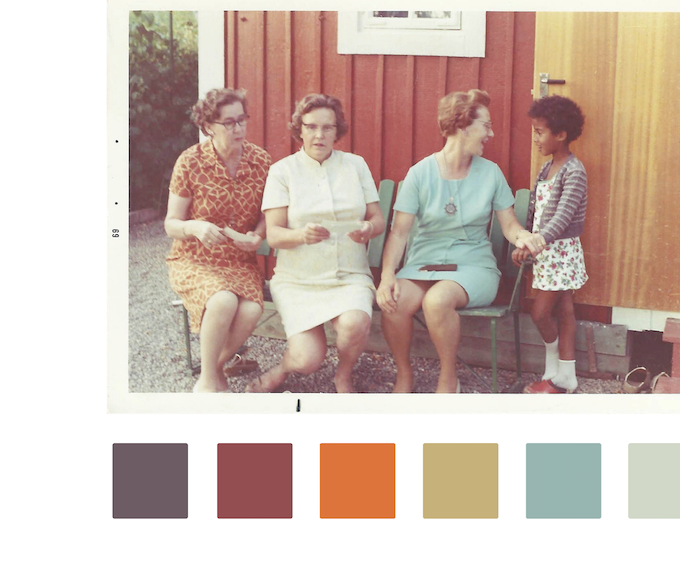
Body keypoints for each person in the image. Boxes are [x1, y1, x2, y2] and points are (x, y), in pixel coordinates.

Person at [376, 89, 545, 393]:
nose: (490, 134)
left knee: (437, 301)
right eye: (486, 126)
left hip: (473, 267)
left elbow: (509, 225)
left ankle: (448, 377)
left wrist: (525, 237)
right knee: (394, 303)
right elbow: (399, 232)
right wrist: (387, 275)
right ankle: (404, 373)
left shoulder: (490, 173)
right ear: (463, 127)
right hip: (424, 264)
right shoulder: (420, 173)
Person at [245, 94, 386, 393]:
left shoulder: (355, 166)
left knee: (354, 324)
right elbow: (274, 234)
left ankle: (343, 375)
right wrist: (301, 236)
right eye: (311, 127)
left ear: (338, 131)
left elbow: (378, 218)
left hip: (348, 276)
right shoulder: (282, 171)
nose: (319, 135)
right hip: (299, 280)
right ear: (300, 130)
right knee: (306, 360)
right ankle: (283, 368)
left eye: (327, 128)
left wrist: (368, 228)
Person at [164, 88, 272, 393]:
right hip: (194, 258)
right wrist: (195, 227)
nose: (238, 129)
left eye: (242, 120)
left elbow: (268, 213)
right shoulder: (191, 162)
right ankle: (208, 381)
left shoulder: (261, 161)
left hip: (239, 261)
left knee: (252, 309)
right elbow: (171, 224)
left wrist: (258, 235)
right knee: (223, 300)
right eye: (229, 123)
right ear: (209, 125)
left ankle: (214, 368)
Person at [513, 95, 588, 393]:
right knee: (565, 311)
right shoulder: (546, 170)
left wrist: (534, 244)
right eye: (534, 131)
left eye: (540, 132)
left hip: (561, 252)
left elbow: (561, 217)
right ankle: (563, 376)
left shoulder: (574, 171)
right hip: (545, 251)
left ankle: (555, 371)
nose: (535, 138)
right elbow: (537, 215)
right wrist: (526, 242)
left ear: (561, 134)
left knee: (541, 313)